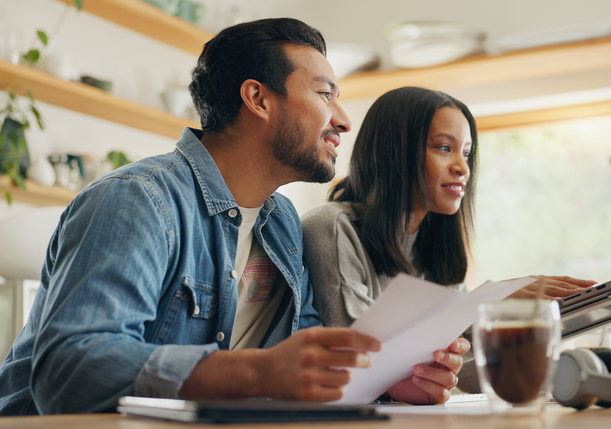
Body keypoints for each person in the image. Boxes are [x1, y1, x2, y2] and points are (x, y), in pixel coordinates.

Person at [0, 20, 467, 416]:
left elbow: (302, 357)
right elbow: (69, 371)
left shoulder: (282, 223)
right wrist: (256, 373)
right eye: (325, 94)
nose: (343, 120)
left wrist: (388, 386)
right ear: (258, 99)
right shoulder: (138, 201)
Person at [301, 86, 595, 392]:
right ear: (394, 150)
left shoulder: (434, 249)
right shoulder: (331, 227)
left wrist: (525, 329)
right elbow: (362, 351)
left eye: (466, 153)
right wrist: (481, 305)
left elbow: (465, 375)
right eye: (444, 148)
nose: (463, 167)